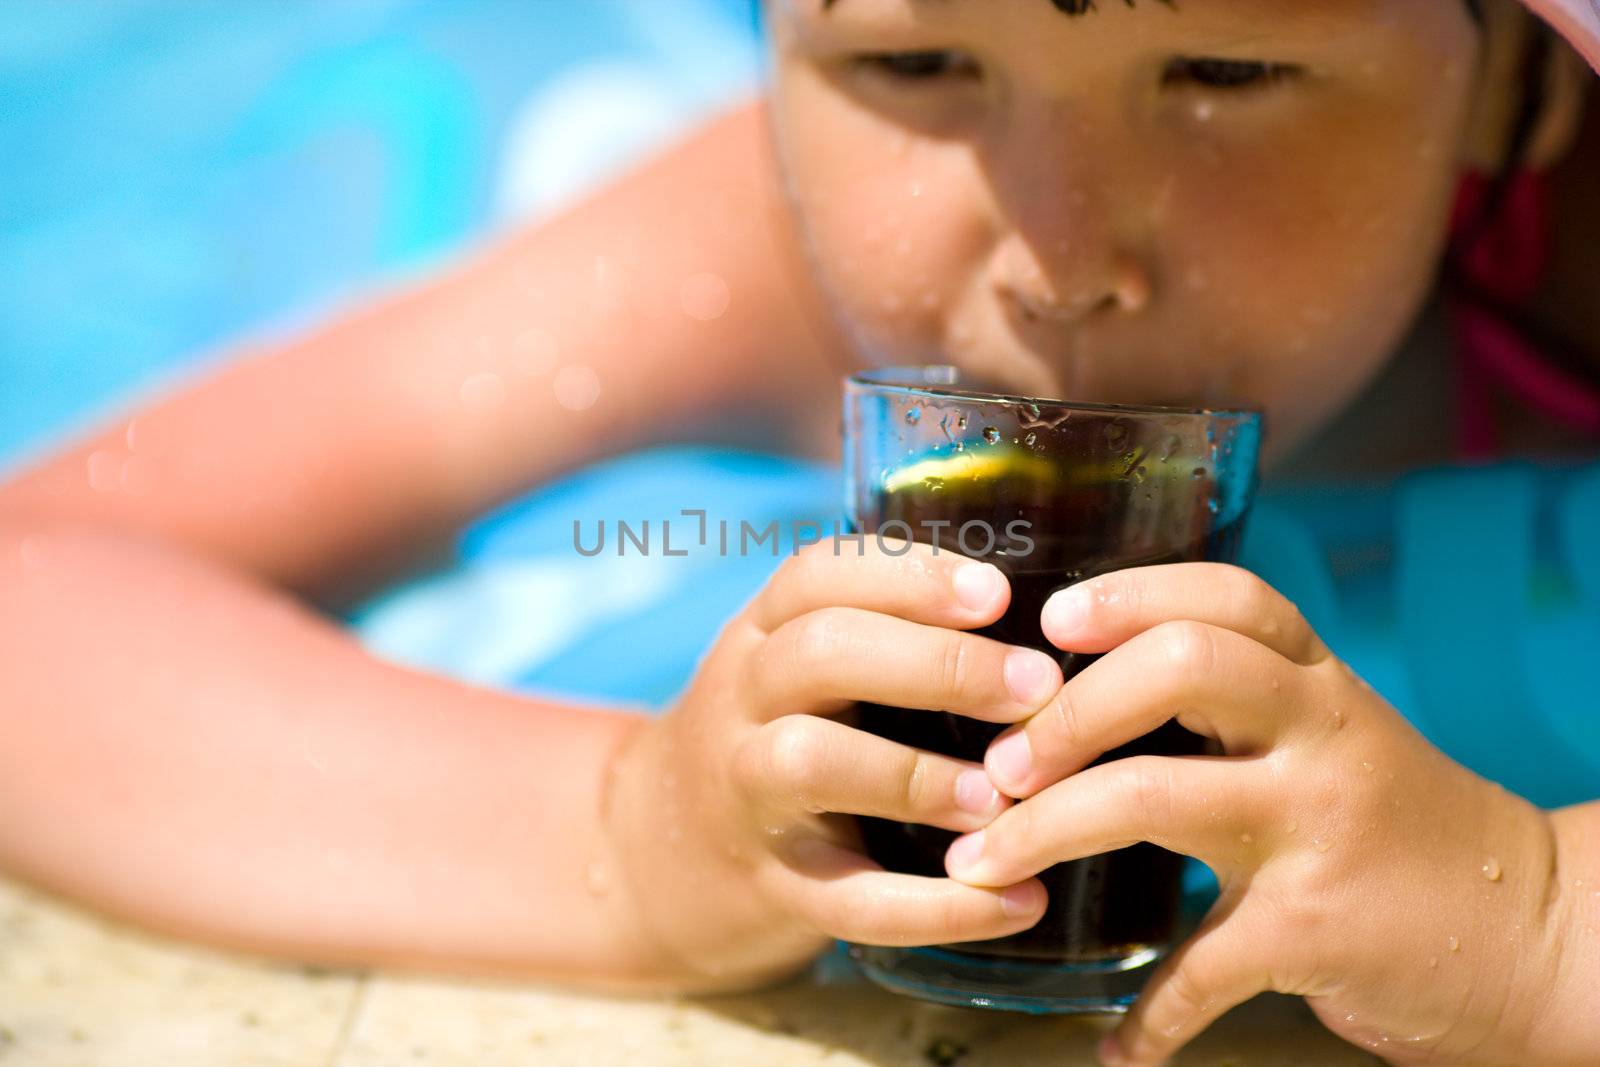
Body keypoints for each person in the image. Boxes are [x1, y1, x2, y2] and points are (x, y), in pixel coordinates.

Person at [1, 1, 1597, 1064]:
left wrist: (1527, 914)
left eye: (1227, 73)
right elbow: (38, 595)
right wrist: (631, 840)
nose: (1058, 257)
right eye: (912, 68)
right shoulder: (760, 241)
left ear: (1516, 75)